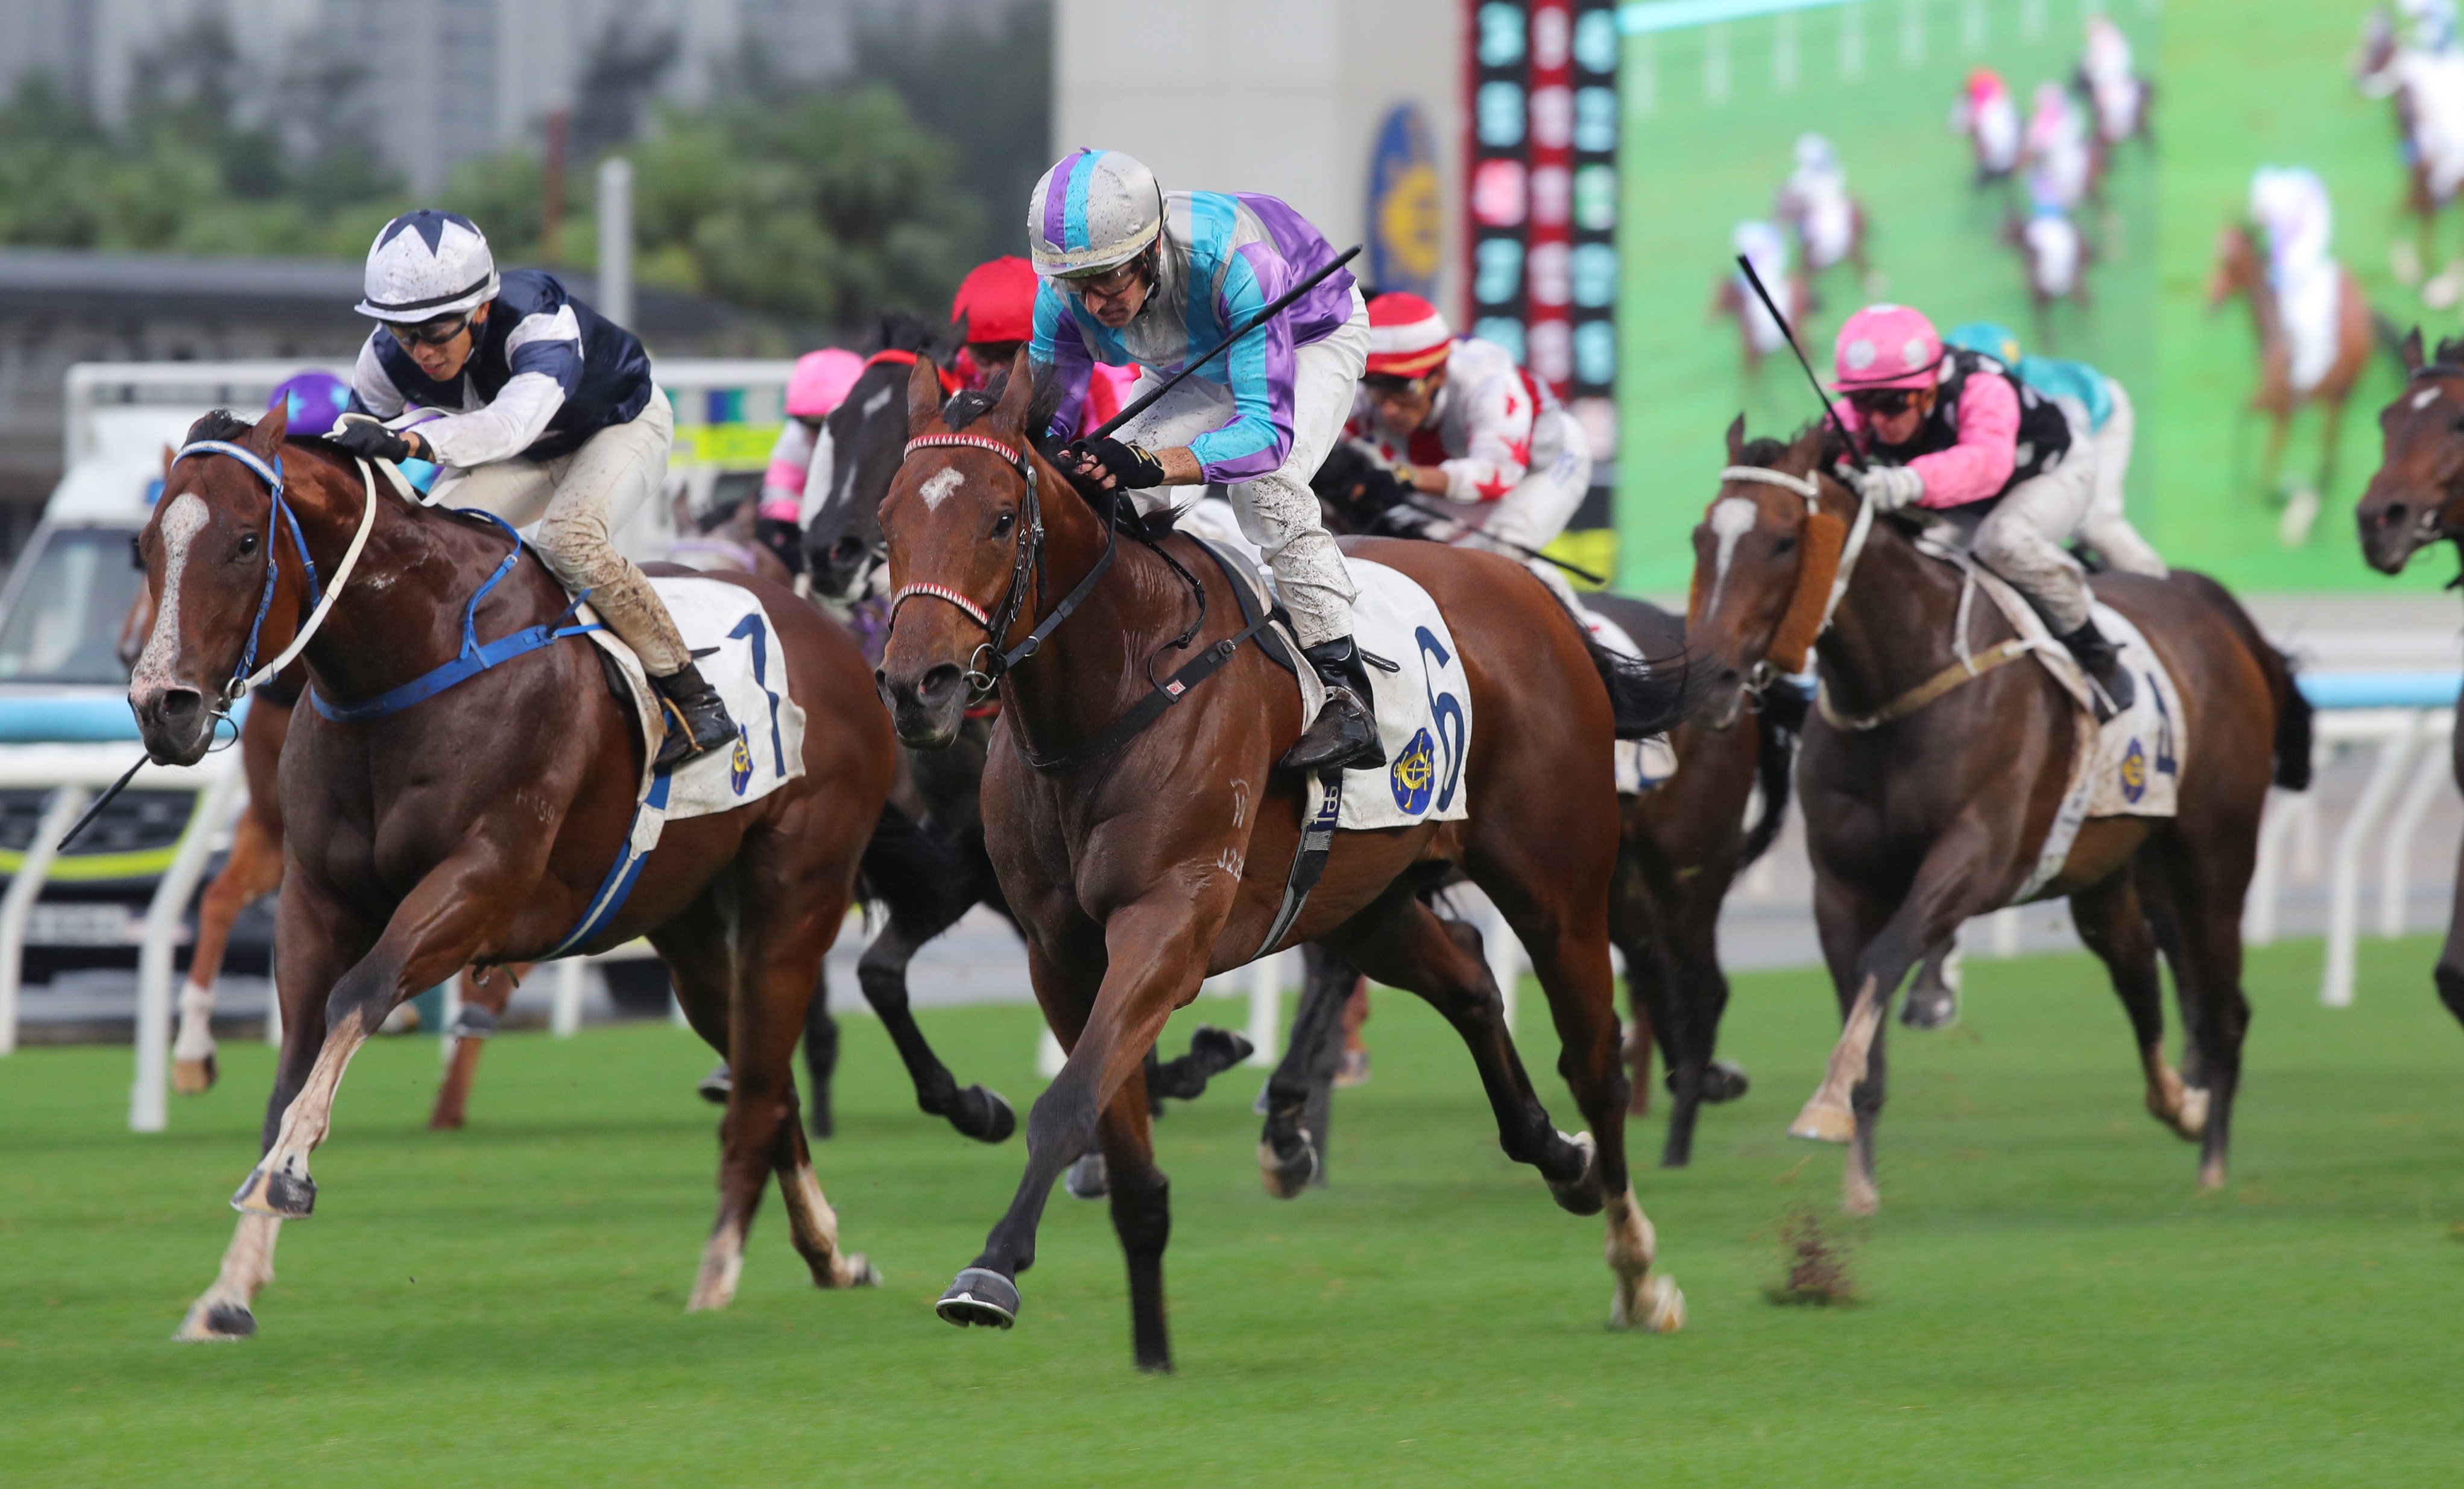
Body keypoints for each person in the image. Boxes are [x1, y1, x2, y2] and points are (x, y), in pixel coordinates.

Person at [332, 210, 735, 765]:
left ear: (480, 309)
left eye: (434, 330)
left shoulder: (537, 321)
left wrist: (412, 443)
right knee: (419, 545)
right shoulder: (383, 357)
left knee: (568, 541)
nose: (420, 350)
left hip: (619, 426)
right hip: (532, 452)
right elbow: (352, 452)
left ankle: (695, 698)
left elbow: (507, 428)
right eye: (404, 332)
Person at [1028, 148, 1381, 771]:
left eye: (1109, 277)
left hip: (1307, 336)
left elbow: (1263, 435)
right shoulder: (1063, 295)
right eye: (1078, 285)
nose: (1094, 302)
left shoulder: (1236, 262)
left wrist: (1150, 461)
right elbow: (1044, 422)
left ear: (1150, 249)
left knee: (1266, 486)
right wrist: (1058, 461)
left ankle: (1346, 688)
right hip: (1190, 359)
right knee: (1095, 493)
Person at [1825, 303, 2135, 716]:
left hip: (2052, 473)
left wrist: (1909, 481)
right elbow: (1828, 456)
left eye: (1893, 403)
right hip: (1971, 497)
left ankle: (2096, 651)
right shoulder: (1865, 412)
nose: (1878, 420)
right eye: (1863, 403)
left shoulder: (1982, 386)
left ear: (1930, 386)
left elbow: (1987, 464)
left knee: (2002, 541)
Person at [1342, 291, 1592, 611]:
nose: (1389, 408)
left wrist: (1404, 476)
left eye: (1402, 387)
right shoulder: (1370, 396)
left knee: (1499, 555)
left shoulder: (1484, 374)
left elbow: (1499, 474)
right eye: (1376, 386)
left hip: (1544, 465)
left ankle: (1591, 651)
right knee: (1413, 557)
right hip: (1457, 470)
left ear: (1440, 375)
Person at [1943, 321, 2165, 579]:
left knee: (2096, 524)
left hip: (2099, 418)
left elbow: (2074, 458)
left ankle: (2157, 582)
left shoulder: (2051, 393)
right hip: (2064, 433)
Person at [757, 346, 865, 574]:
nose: (821, 435)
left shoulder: (875, 440)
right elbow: (781, 501)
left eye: (830, 423)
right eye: (812, 426)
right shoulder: (793, 441)